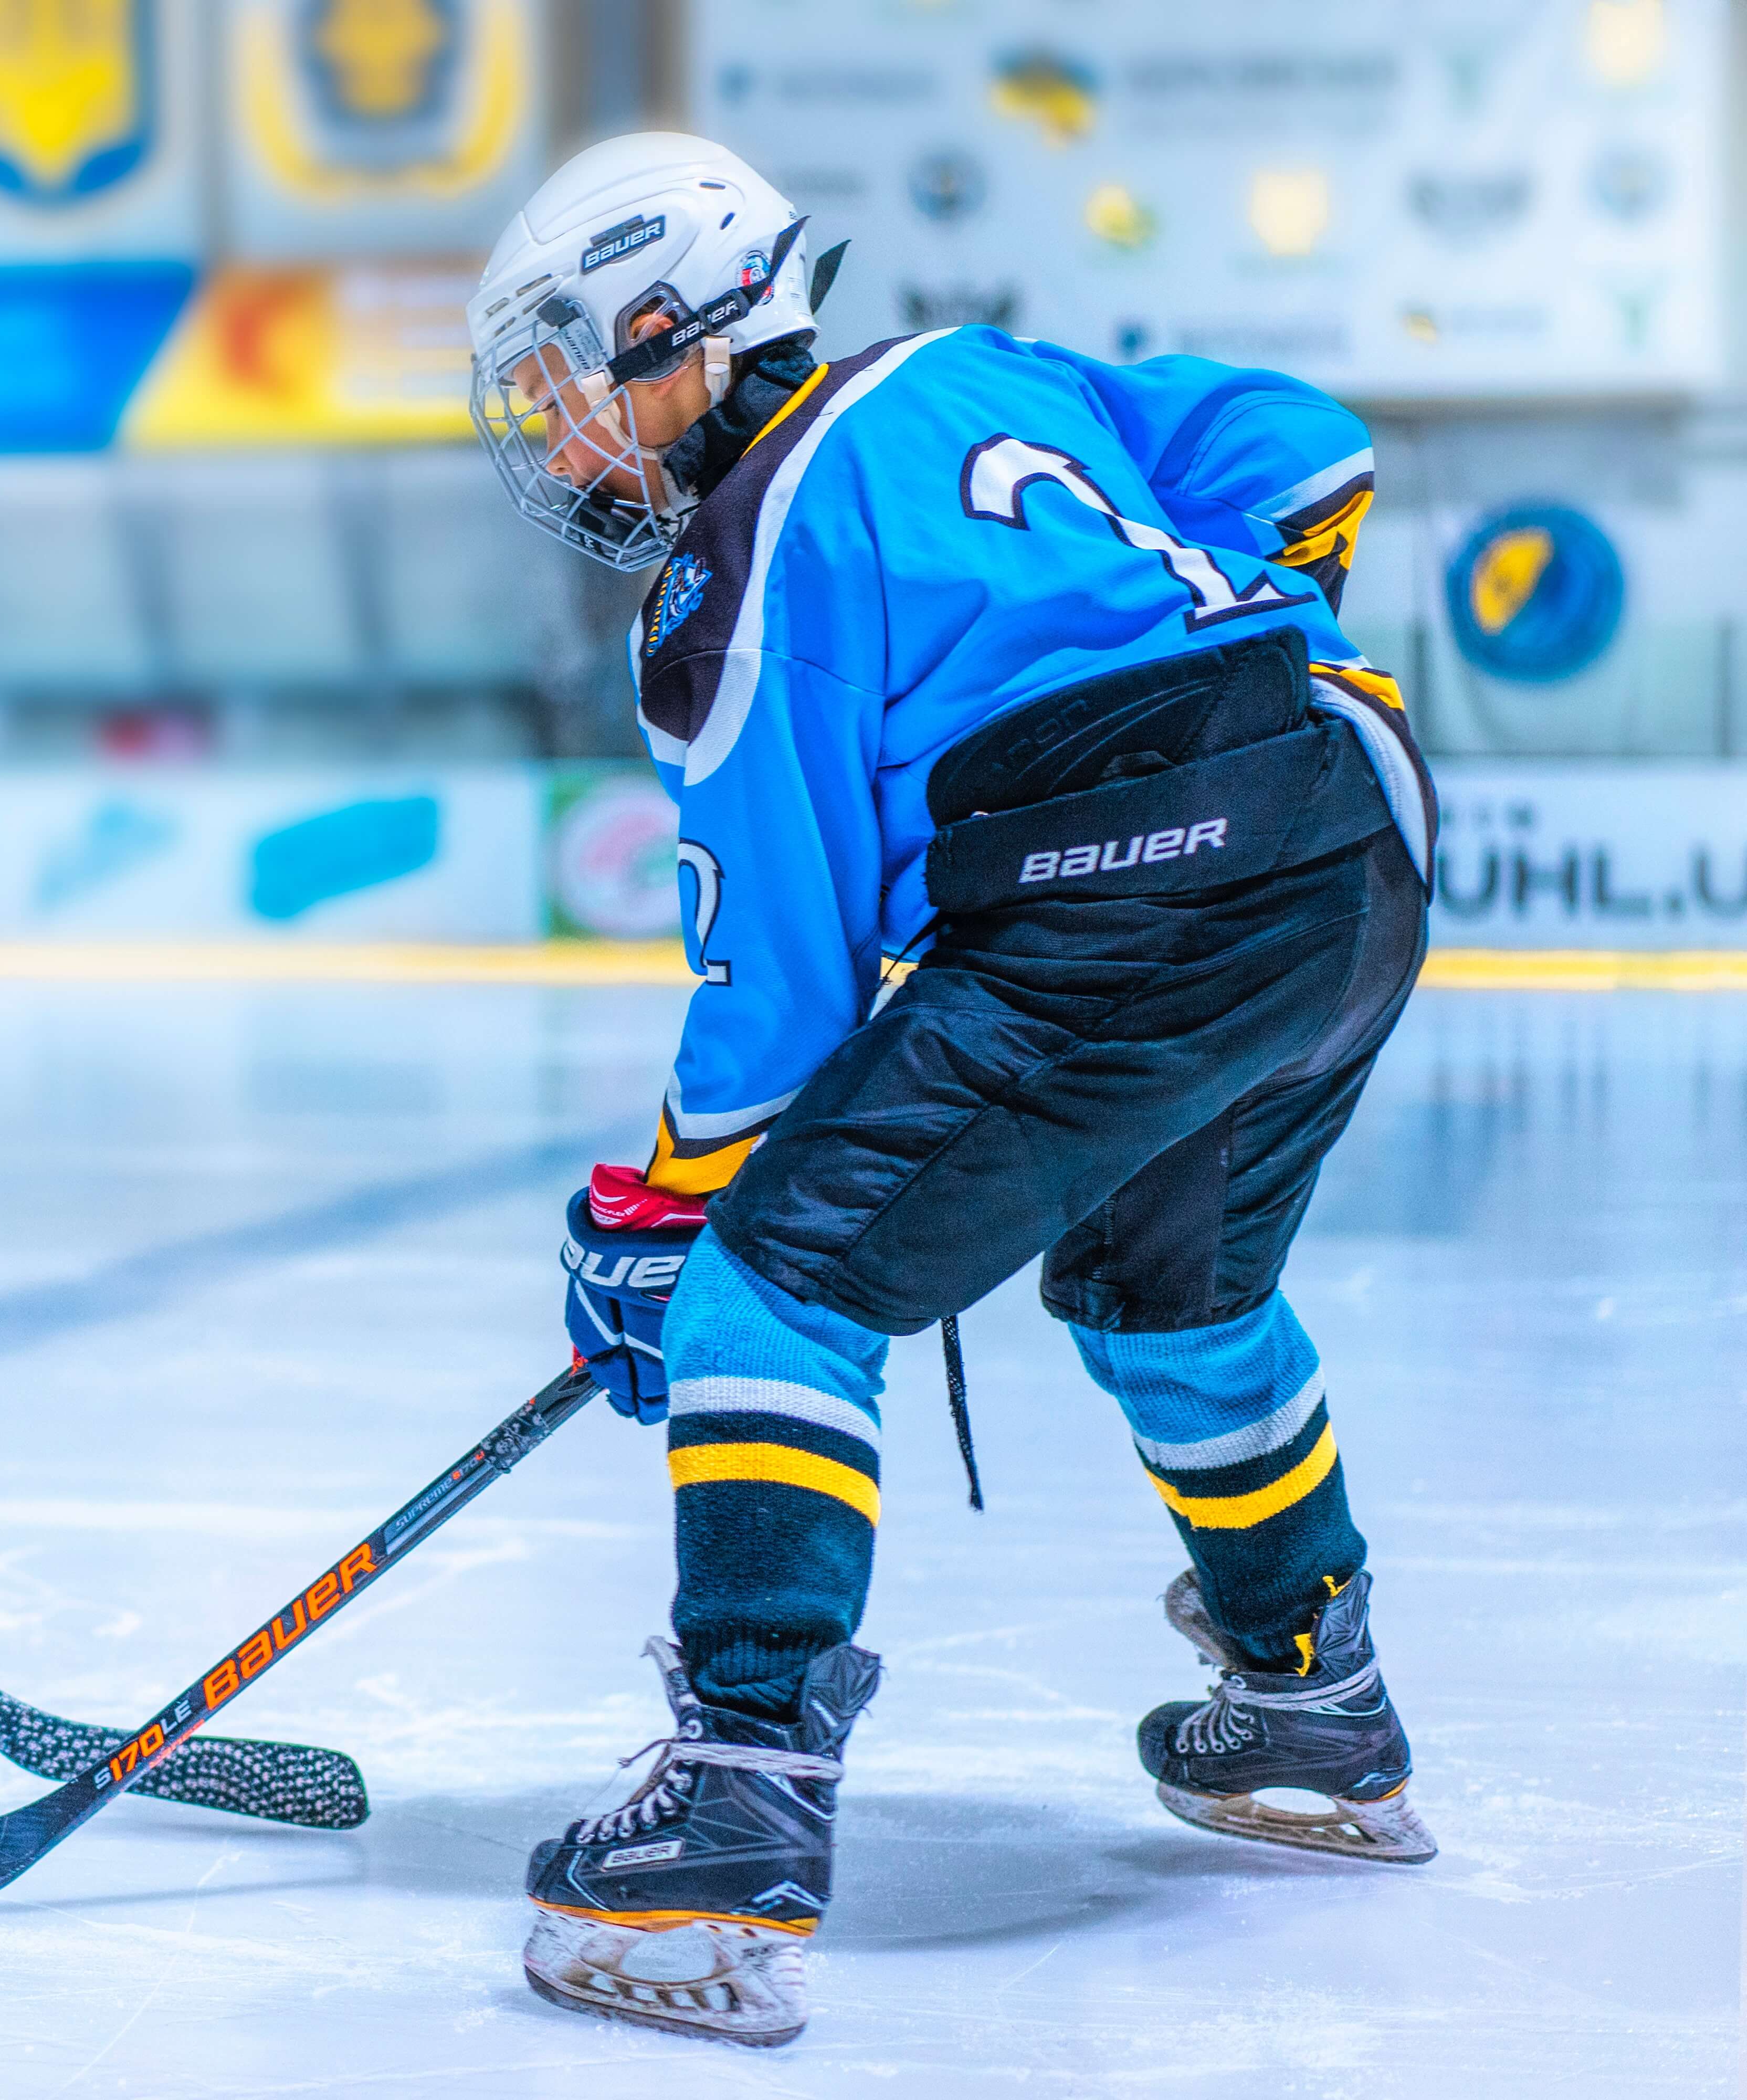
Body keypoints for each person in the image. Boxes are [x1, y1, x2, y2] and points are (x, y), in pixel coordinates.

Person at [466, 135, 1437, 2048]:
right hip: (1355, 825)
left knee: (777, 1281)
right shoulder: (982, 374)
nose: (564, 435)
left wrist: (656, 1223)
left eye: (576, 377)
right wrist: (1210, 650)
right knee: (1180, 1297)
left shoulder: (735, 580)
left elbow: (781, 1011)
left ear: (688, 332)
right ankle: (1316, 1700)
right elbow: (1310, 453)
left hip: (1138, 877)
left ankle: (740, 1797)